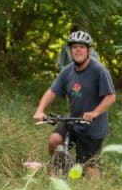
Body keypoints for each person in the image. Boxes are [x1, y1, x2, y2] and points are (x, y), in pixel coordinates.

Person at [34, 30, 115, 178]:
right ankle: (57, 171)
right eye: (74, 47)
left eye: (82, 47)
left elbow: (110, 97)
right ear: (70, 50)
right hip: (73, 121)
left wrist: (94, 113)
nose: (77, 49)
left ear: (89, 50)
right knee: (55, 140)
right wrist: (40, 110)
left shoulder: (99, 71)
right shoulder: (67, 71)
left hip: (93, 127)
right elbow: (52, 92)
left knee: (89, 167)